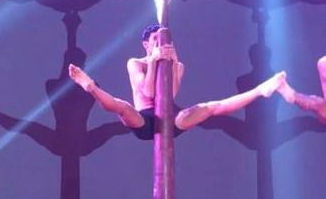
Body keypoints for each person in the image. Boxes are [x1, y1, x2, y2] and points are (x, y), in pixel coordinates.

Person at [69, 24, 286, 140]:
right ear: (146, 44)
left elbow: (169, 96)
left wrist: (172, 63)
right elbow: (148, 92)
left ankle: (260, 90)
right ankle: (91, 87)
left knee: (212, 107)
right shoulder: (135, 63)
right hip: (144, 119)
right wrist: (153, 62)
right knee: (122, 107)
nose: (159, 44)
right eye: (155, 40)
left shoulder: (178, 65)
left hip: (170, 118)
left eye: (163, 41)